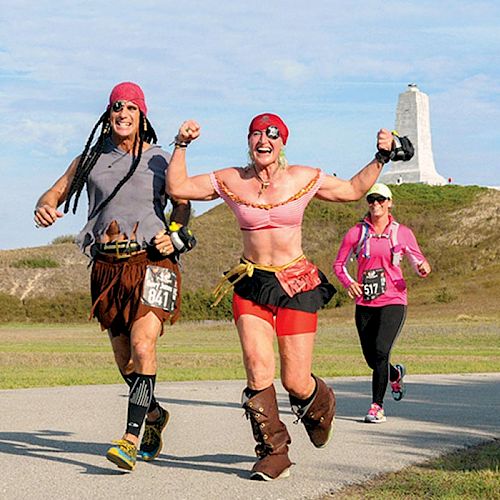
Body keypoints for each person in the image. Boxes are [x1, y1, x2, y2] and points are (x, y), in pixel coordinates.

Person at [165, 113, 398, 480]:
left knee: (295, 381)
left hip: (296, 283)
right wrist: (181, 144)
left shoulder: (303, 178)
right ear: (249, 141)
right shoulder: (231, 179)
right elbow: (177, 187)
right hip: (253, 282)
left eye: (272, 136)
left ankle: (320, 402)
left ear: (282, 143)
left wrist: (381, 157)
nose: (264, 141)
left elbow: (353, 189)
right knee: (258, 367)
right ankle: (274, 451)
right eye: (256, 134)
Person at [34, 82, 195, 471]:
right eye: (116, 108)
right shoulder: (89, 160)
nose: (123, 114)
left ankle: (130, 438)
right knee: (126, 362)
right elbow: (53, 194)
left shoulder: (158, 158)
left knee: (144, 347)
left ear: (143, 116)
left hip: (152, 262)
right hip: (108, 268)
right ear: (108, 115)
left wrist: (174, 235)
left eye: (131, 109)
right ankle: (153, 414)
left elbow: (182, 204)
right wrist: (45, 207)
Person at [333, 183, 431, 423]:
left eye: (381, 199)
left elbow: (419, 261)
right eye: (371, 200)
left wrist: (423, 268)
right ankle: (395, 374)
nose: (376, 204)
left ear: (390, 202)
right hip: (365, 301)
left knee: (380, 350)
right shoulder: (356, 233)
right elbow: (339, 265)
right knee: (372, 358)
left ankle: (377, 406)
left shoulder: (402, 232)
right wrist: (349, 284)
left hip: (393, 299)